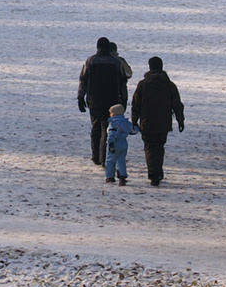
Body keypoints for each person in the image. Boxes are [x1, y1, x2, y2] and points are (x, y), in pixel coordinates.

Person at [77, 37, 132, 166]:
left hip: (94, 101)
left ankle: (96, 157)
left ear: (97, 47)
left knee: (95, 128)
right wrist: (124, 100)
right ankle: (104, 158)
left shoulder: (90, 61)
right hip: (112, 101)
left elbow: (83, 81)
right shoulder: (116, 62)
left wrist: (80, 97)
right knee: (108, 128)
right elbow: (123, 83)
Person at [131, 56, 185, 186]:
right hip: (164, 123)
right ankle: (158, 172)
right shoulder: (169, 85)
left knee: (150, 147)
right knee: (160, 147)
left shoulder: (143, 84)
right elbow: (177, 105)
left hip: (147, 122)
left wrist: (134, 120)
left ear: (150, 67)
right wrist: (180, 120)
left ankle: (153, 173)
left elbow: (136, 104)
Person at [105, 103, 136, 185]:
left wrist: (111, 143)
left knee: (110, 160)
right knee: (121, 160)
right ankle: (122, 176)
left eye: (111, 113)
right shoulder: (126, 123)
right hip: (124, 143)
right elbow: (133, 130)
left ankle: (110, 177)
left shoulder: (114, 123)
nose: (110, 115)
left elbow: (112, 133)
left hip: (115, 143)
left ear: (114, 114)